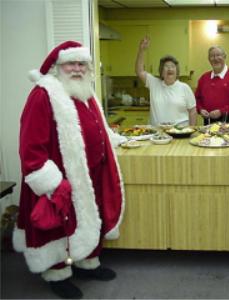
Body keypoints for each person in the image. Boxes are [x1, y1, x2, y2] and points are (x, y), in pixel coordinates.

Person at [13, 41, 126, 299]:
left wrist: (113, 140)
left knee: (88, 219)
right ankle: (56, 274)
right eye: (71, 63)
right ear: (57, 67)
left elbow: (100, 128)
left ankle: (87, 263)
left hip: (91, 175)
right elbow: (30, 147)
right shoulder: (43, 95)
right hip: (60, 181)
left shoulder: (86, 93)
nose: (77, 69)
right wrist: (52, 183)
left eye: (81, 64)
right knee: (56, 227)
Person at [135, 36, 197, 126]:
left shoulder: (184, 87)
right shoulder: (154, 83)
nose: (170, 68)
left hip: (180, 132)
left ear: (177, 71)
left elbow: (193, 111)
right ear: (161, 71)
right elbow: (139, 71)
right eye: (166, 66)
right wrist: (141, 50)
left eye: (172, 66)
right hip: (157, 133)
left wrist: (191, 131)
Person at [195, 46, 229, 125]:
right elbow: (197, 99)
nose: (215, 58)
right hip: (208, 122)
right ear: (209, 60)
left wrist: (221, 112)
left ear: (224, 57)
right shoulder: (204, 78)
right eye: (212, 56)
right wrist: (200, 110)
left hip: (228, 122)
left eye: (218, 55)